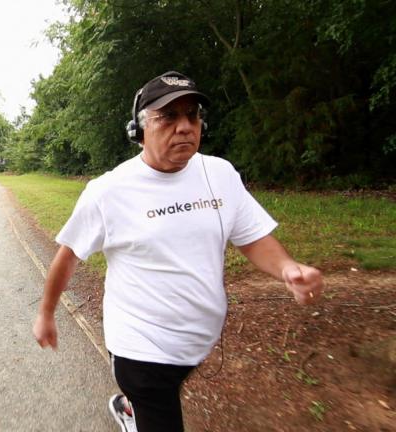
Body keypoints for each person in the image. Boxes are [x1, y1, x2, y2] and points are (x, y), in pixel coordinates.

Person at [32, 71, 324, 432]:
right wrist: (46, 313)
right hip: (142, 349)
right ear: (138, 131)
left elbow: (250, 235)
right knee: (158, 405)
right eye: (168, 117)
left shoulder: (220, 174)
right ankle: (136, 409)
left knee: (168, 386)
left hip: (197, 341)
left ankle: (131, 406)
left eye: (192, 115)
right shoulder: (108, 192)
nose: (184, 126)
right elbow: (69, 254)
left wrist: (286, 269)